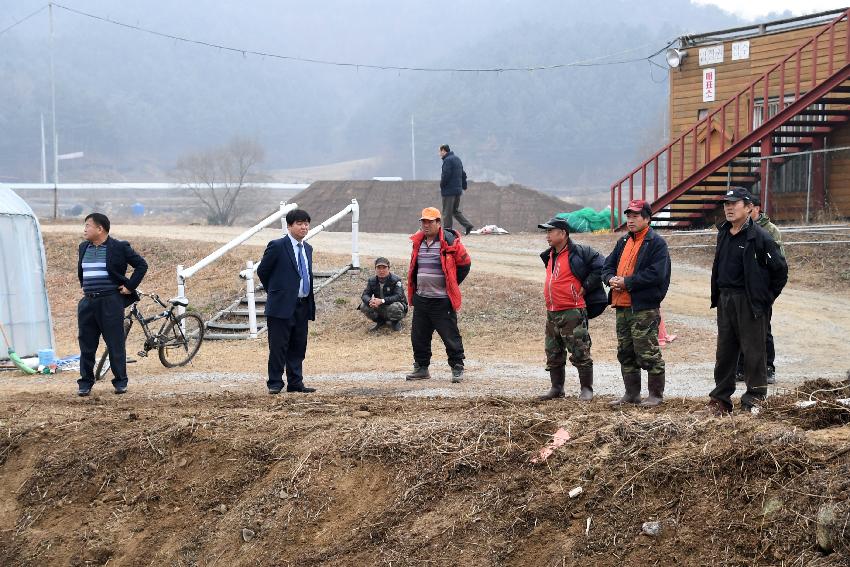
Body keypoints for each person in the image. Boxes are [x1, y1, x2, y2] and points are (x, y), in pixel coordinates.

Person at [707, 187, 787, 415]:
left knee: (754, 352)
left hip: (749, 301)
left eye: (734, 203)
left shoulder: (760, 236)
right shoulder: (723, 232)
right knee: (725, 352)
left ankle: (755, 398)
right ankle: (721, 399)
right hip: (726, 299)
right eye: (726, 204)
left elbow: (780, 271)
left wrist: (765, 298)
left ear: (749, 207)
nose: (729, 208)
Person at [602, 199, 671, 407]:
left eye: (635, 216)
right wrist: (610, 279)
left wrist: (628, 282)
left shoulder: (656, 243)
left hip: (643, 307)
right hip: (621, 305)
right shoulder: (623, 241)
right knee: (625, 352)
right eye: (628, 216)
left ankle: (655, 396)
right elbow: (607, 265)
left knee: (647, 351)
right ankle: (631, 394)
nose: (630, 220)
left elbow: (656, 274)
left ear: (647, 218)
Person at [76, 213, 148, 396]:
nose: (84, 229)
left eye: (88, 226)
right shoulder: (83, 247)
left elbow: (141, 265)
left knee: (115, 343)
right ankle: (85, 383)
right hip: (88, 302)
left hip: (110, 301)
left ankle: (120, 382)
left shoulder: (119, 247)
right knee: (86, 345)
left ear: (100, 229)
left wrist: (130, 287)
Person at [537, 217, 606, 401]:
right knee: (553, 352)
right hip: (552, 311)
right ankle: (557, 388)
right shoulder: (549, 254)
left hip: (573, 310)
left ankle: (586, 389)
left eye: (550, 231)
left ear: (563, 233)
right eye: (546, 232)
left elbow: (602, 266)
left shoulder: (580, 252)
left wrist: (586, 286)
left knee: (580, 350)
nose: (547, 235)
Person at [405, 207, 472, 383]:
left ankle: (457, 368)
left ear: (438, 223)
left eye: (430, 222)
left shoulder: (450, 242)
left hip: (442, 300)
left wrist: (451, 284)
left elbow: (465, 264)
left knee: (450, 336)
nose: (426, 225)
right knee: (419, 337)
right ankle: (421, 368)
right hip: (422, 299)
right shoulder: (418, 242)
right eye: (423, 222)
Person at [257, 208, 317, 394]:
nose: (304, 227)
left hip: (303, 304)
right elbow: (263, 271)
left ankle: (295, 383)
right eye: (299, 224)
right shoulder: (277, 245)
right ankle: (275, 382)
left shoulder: (307, 248)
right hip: (281, 305)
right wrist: (276, 292)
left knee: (298, 346)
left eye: (306, 223)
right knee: (278, 346)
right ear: (289, 225)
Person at [735, 192, 784, 384]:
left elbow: (779, 265)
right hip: (740, 291)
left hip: (760, 291)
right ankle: (740, 368)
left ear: (755, 208)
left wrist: (768, 293)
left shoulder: (770, 231)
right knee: (738, 330)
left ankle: (768, 368)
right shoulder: (737, 228)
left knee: (764, 331)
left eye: (752, 207)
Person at [358, 257, 408, 332]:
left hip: (395, 306)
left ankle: (395, 322)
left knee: (395, 307)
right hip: (380, 306)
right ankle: (380, 321)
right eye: (379, 268)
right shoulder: (372, 280)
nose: (381, 270)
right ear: (375, 269)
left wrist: (382, 301)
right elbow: (364, 295)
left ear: (388, 268)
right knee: (363, 306)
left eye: (384, 268)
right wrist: (370, 301)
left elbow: (398, 296)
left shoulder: (396, 280)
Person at [439, 144, 474, 236]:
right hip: (458, 190)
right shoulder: (457, 159)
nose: (439, 154)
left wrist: (442, 185)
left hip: (449, 191)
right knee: (455, 211)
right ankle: (468, 225)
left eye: (440, 151)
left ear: (443, 150)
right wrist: (464, 185)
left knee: (447, 212)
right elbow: (463, 174)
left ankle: (447, 232)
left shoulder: (447, 160)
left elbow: (446, 175)